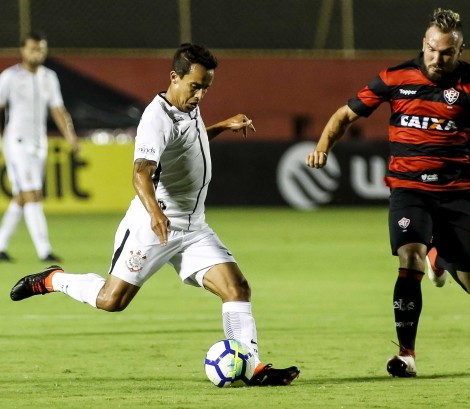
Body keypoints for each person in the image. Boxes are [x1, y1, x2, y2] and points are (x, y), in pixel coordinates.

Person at [10, 43, 299, 386]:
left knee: (237, 289)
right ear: (174, 78)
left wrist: (222, 125)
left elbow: (188, 144)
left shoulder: (188, 107)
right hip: (155, 225)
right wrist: (155, 214)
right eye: (195, 86)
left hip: (193, 226)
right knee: (111, 301)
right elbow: (140, 172)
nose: (200, 94)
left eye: (207, 87)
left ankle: (252, 368)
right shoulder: (156, 117)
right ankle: (53, 280)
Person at [306, 9, 470, 378]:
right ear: (423, 44)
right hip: (408, 190)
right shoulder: (394, 77)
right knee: (408, 257)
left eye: (447, 53)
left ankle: (440, 258)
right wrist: (323, 145)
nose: (437, 58)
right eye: (432, 49)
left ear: (461, 51)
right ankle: (406, 355)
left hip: (456, 195)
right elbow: (344, 115)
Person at [0, 32, 80, 263]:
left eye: (41, 49)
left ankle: (1, 245)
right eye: (33, 48)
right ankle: (45, 251)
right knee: (33, 194)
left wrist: (70, 136)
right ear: (23, 51)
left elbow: (57, 109)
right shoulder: (10, 77)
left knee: (22, 197)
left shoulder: (49, 77)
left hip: (39, 144)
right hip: (17, 142)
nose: (37, 53)